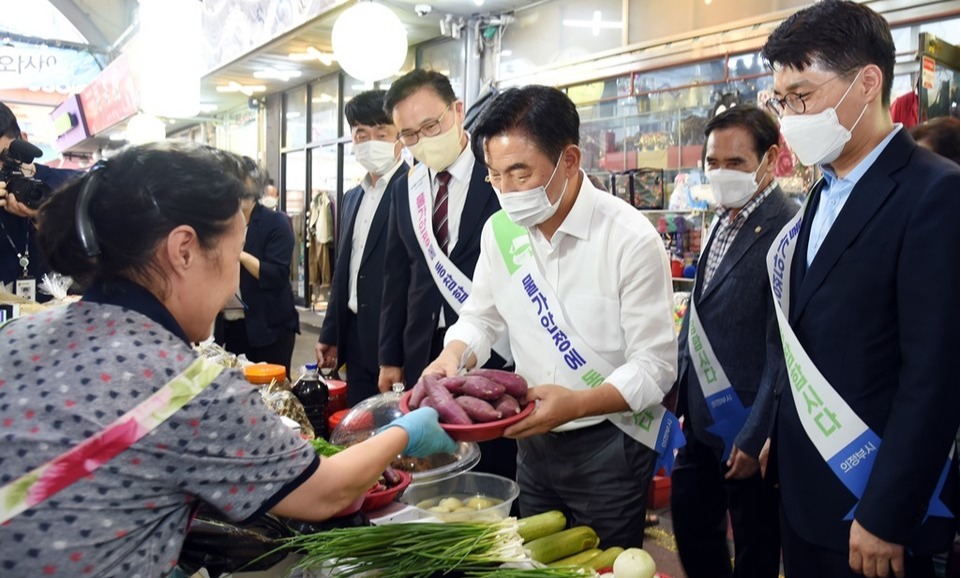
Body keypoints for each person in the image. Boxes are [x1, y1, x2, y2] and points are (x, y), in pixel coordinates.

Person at [0, 140, 456, 577]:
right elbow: (326, 493)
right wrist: (405, 430)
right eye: (232, 255)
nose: (232, 282)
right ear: (184, 251)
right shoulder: (184, 388)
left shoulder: (18, 334)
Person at [423, 85, 679, 548]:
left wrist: (579, 403)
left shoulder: (629, 239)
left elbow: (655, 368)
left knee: (605, 562)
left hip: (610, 445)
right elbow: (481, 317)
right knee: (537, 559)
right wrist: (454, 354)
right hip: (532, 443)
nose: (505, 191)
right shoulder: (500, 231)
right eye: (494, 176)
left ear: (569, 160)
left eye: (519, 173)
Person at [761, 1, 959, 576]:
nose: (790, 117)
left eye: (803, 96)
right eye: (782, 101)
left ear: (867, 82)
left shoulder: (935, 195)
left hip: (872, 509)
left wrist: (887, 514)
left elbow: (935, 377)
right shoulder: (821, 191)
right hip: (804, 494)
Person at [670, 104, 794, 578]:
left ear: (770, 161)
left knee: (755, 551)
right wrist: (680, 391)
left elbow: (780, 346)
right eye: (714, 163)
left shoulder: (785, 228)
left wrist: (756, 430)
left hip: (747, 430)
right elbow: (699, 311)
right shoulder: (722, 219)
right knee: (693, 531)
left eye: (736, 164)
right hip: (700, 421)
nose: (722, 174)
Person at [379, 69, 516, 479]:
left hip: (498, 343)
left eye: (430, 125)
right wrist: (390, 356)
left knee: (494, 458)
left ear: (457, 111)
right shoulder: (406, 187)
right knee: (435, 461)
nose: (421, 140)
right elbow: (396, 273)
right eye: (408, 134)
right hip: (427, 346)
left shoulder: (500, 175)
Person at [316, 89, 408, 407]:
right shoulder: (352, 197)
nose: (371, 142)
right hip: (354, 337)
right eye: (361, 134)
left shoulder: (415, 191)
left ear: (400, 137)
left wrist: (395, 353)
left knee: (395, 439)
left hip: (395, 344)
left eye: (381, 133)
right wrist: (331, 335)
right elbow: (345, 269)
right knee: (357, 427)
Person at [215, 158, 300, 377]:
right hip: (231, 325)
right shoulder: (218, 224)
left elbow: (276, 275)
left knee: (271, 389)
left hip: (269, 326)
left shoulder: (275, 223)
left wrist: (239, 253)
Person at [0, 102, 80, 301]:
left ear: (24, 140)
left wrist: (43, 217)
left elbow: (101, 255)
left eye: (6, 157)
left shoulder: (73, 184)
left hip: (69, 316)